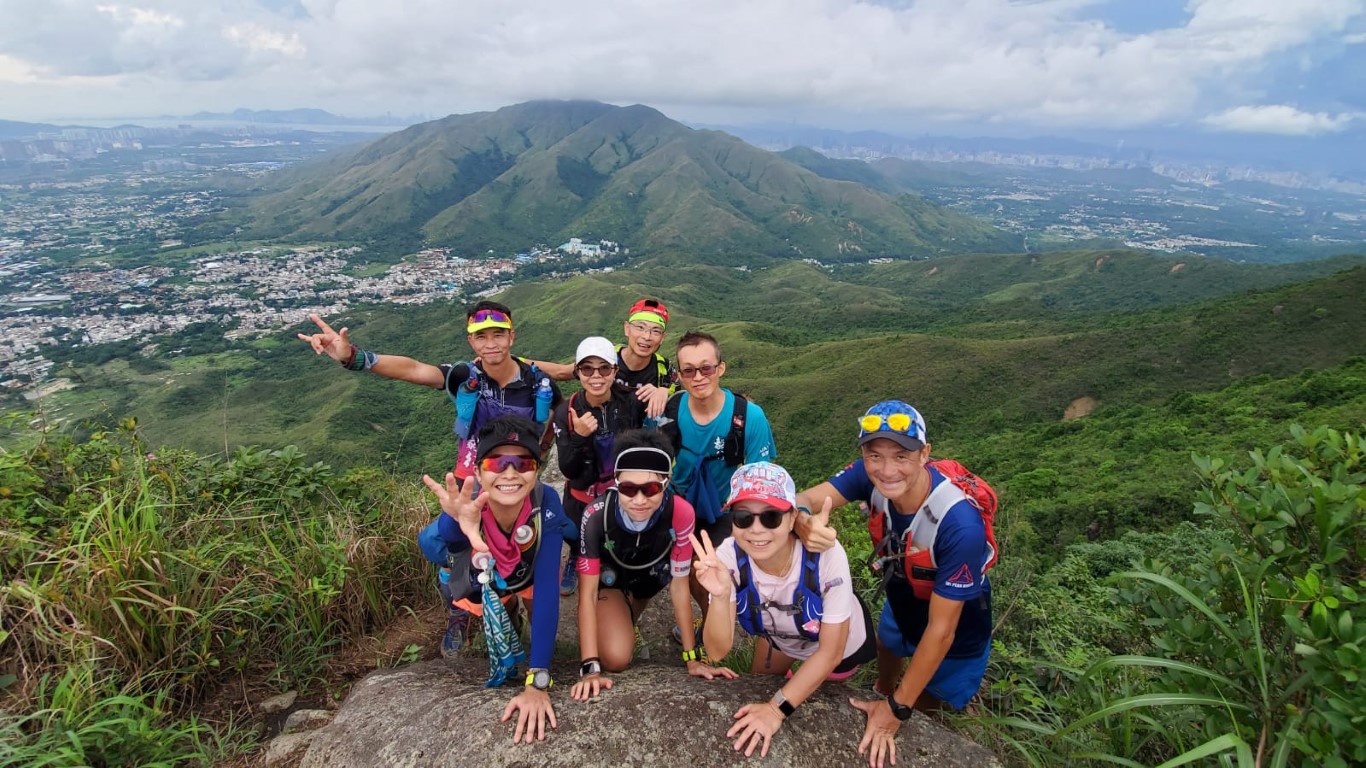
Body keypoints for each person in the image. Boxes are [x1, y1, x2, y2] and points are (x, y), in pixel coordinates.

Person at [299, 301, 566, 655]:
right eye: (481, 336)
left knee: (523, 548)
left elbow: (550, 423)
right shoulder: (464, 377)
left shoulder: (537, 383)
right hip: (470, 482)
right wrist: (355, 357)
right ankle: (466, 604)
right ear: (471, 341)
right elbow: (414, 369)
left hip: (517, 481)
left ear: (512, 336)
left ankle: (518, 610)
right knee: (445, 544)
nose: (491, 344)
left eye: (498, 335)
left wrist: (541, 457)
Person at [797, 400, 995, 768]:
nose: (886, 470)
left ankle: (917, 714)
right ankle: (882, 686)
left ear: (925, 455)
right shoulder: (867, 476)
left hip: (958, 622)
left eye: (901, 456)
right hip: (904, 592)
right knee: (889, 641)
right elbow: (803, 499)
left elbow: (942, 631)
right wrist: (804, 522)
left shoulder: (959, 525)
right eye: (875, 456)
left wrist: (897, 711)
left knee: (935, 694)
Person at [690, 461, 877, 758]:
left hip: (837, 645)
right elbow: (716, 651)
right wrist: (722, 593)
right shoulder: (726, 557)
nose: (756, 530)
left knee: (822, 688)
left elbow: (830, 652)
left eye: (771, 517)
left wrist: (776, 710)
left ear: (793, 519)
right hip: (780, 635)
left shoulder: (825, 555)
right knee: (763, 681)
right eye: (742, 517)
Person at [421, 415, 566, 744]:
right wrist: (457, 522)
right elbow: (436, 544)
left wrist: (537, 682)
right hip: (484, 577)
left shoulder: (546, 504)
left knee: (536, 610)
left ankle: (515, 609)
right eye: (497, 462)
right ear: (478, 471)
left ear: (537, 469)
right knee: (464, 585)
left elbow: (547, 590)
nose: (510, 473)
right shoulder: (469, 504)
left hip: (524, 571)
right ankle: (479, 610)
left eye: (522, 462)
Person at [569, 430, 737, 703]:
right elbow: (586, 595)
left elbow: (679, 586)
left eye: (650, 489)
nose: (639, 500)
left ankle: (627, 617)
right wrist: (590, 668)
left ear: (665, 483)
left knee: (639, 601)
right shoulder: (597, 514)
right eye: (628, 488)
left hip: (649, 578)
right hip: (611, 583)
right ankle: (618, 615)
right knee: (616, 658)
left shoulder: (681, 512)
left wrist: (691, 659)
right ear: (616, 482)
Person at [663, 330, 777, 621]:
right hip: (676, 503)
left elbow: (760, 480)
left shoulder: (749, 417)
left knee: (709, 571)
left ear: (720, 368)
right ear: (679, 375)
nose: (698, 376)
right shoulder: (669, 410)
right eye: (688, 370)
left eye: (706, 368)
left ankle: (708, 626)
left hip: (722, 508)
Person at [551, 336, 648, 595]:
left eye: (604, 368)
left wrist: (661, 392)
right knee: (573, 532)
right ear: (577, 373)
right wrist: (579, 436)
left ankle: (611, 558)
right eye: (587, 369)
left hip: (619, 491)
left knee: (614, 535)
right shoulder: (567, 412)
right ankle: (575, 556)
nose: (596, 376)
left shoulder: (631, 402)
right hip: (581, 494)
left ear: (615, 371)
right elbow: (568, 470)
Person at [527, 297, 677, 419]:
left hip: (639, 442)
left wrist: (663, 391)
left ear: (662, 338)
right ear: (627, 328)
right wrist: (515, 361)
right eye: (640, 327)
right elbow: (560, 372)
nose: (646, 336)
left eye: (655, 331)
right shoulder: (607, 357)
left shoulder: (665, 370)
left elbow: (688, 399)